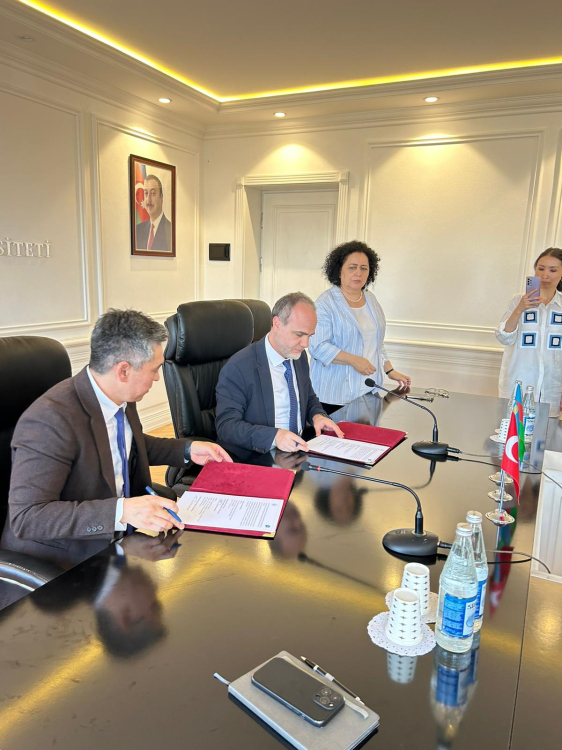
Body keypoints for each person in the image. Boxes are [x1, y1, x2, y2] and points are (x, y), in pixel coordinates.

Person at [8, 309, 231, 540]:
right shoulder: (49, 421)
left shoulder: (120, 395)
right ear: (123, 371)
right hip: (74, 549)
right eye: (154, 369)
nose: (157, 377)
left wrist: (187, 449)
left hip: (127, 533)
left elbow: (129, 444)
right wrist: (121, 511)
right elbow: (27, 518)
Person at [215, 292, 343, 455]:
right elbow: (226, 426)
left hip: (297, 451)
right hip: (260, 456)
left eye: (310, 336)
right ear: (277, 324)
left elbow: (308, 396)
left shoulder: (298, 356)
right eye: (299, 334)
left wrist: (317, 415)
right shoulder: (239, 367)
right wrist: (274, 437)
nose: (306, 344)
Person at [308, 241, 411, 411]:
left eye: (364, 268)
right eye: (352, 267)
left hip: (369, 389)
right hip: (334, 394)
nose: (358, 273)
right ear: (339, 271)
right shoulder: (325, 304)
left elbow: (376, 342)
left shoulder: (371, 300)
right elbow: (318, 347)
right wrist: (354, 360)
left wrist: (389, 370)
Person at [495, 248, 562, 417]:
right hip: (519, 384)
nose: (545, 275)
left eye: (553, 270)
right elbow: (504, 337)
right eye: (541, 268)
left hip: (552, 388)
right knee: (514, 430)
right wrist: (520, 309)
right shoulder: (518, 300)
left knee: (546, 432)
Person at [135, 175, 173, 253]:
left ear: (161, 198)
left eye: (153, 193)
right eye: (146, 193)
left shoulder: (171, 230)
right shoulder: (138, 230)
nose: (148, 199)